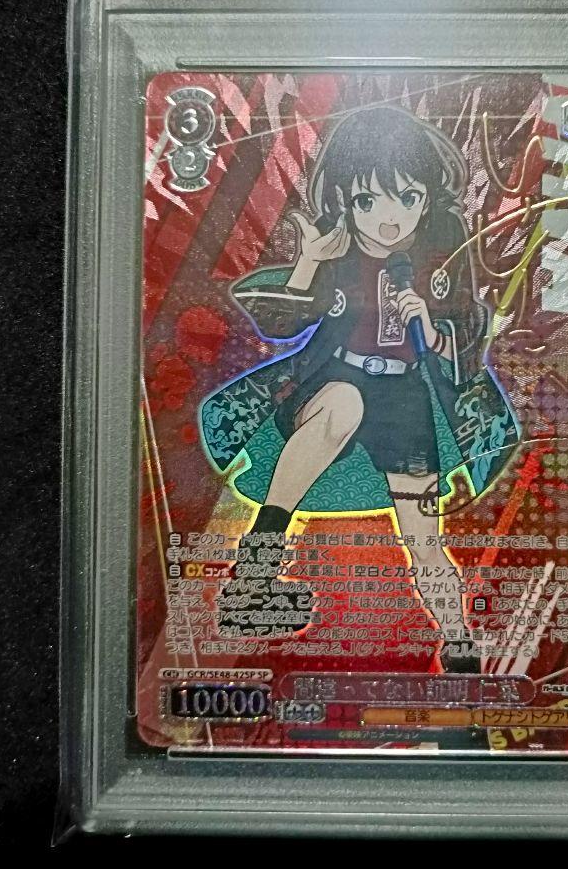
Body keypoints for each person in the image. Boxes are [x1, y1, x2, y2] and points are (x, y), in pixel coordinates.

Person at [200, 105, 519, 673]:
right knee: (342, 404)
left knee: (424, 537)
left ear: (427, 197)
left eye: (407, 197)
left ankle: (457, 638)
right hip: (337, 378)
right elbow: (282, 326)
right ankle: (254, 578)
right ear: (347, 200)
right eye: (368, 201)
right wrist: (307, 263)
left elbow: (467, 332)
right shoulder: (337, 247)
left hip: (407, 402)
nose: (388, 220)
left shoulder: (442, 248)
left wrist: (433, 331)